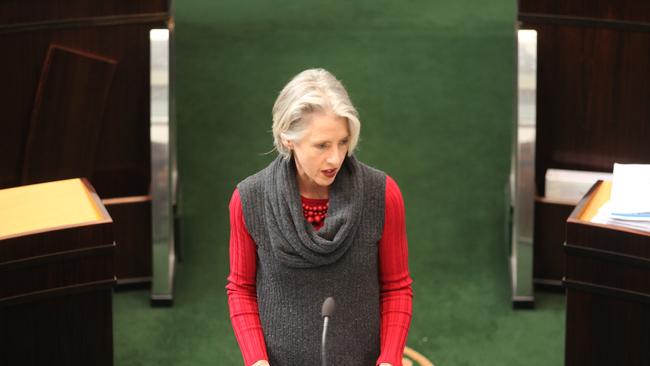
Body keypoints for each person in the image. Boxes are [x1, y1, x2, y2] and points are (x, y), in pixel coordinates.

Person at [226, 68, 413, 366]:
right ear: (288, 138)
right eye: (322, 145)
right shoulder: (249, 199)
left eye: (343, 142)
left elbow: (396, 287)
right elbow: (241, 289)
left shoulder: (384, 194)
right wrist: (256, 361)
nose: (336, 158)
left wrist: (390, 359)